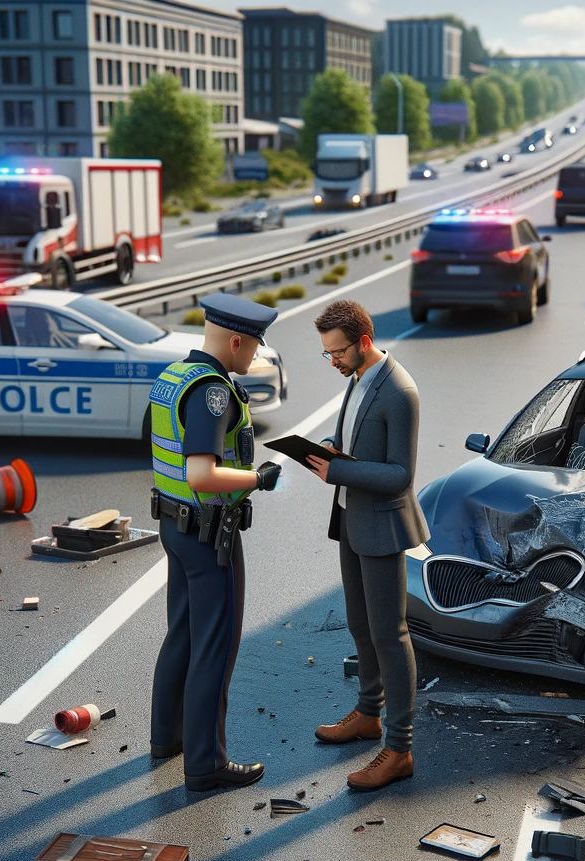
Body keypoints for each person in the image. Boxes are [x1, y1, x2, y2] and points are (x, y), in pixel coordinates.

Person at [149, 293, 282, 792]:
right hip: (209, 536)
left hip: (173, 525)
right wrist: (259, 480)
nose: (253, 358)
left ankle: (168, 738)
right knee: (215, 646)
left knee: (182, 634)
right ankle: (206, 764)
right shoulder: (213, 392)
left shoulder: (173, 378)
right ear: (234, 341)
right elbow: (202, 473)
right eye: (252, 348)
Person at [305, 300, 429, 791]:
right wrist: (327, 451)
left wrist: (339, 470)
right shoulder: (357, 380)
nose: (332, 361)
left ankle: (399, 749)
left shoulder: (400, 391)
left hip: (382, 524)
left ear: (362, 341)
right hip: (352, 518)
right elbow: (352, 439)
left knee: (389, 634)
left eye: (336, 352)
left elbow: (401, 474)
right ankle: (368, 713)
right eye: (326, 354)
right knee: (360, 624)